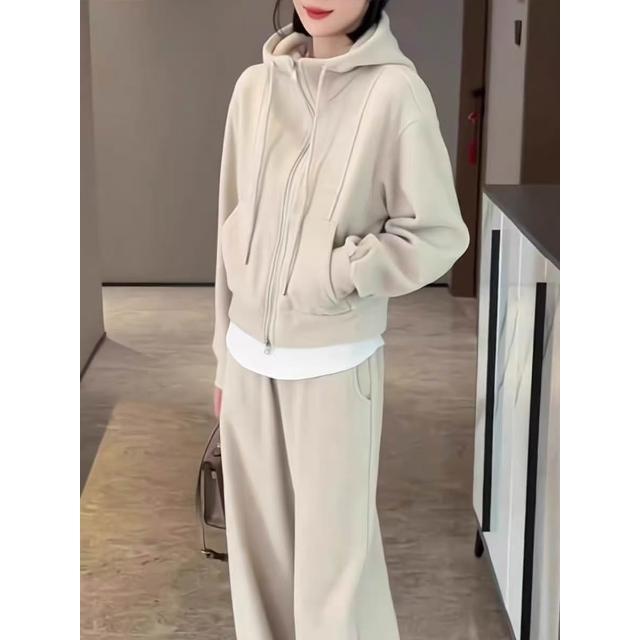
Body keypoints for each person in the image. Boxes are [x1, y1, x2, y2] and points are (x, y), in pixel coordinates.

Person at [211, 2, 470, 638]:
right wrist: (221, 357)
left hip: (334, 366)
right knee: (258, 571)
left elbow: (438, 234)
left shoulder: (395, 94)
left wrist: (338, 272)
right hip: (246, 364)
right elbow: (228, 225)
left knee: (335, 578)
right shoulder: (253, 88)